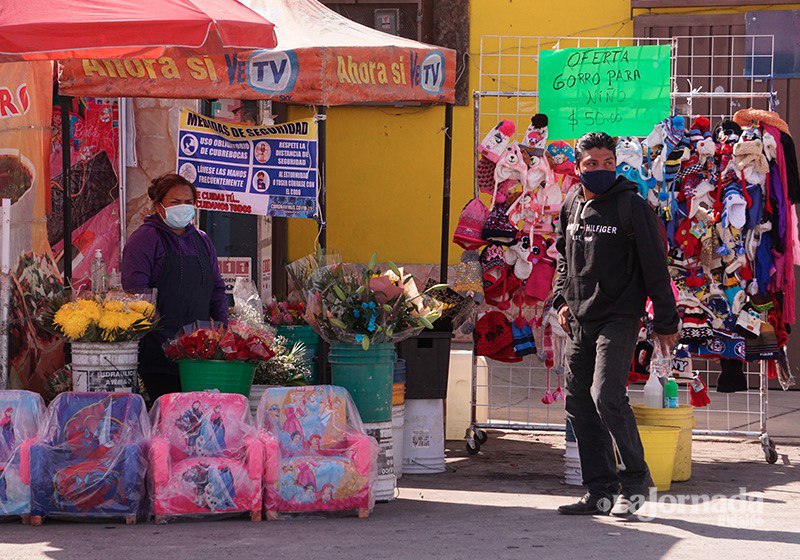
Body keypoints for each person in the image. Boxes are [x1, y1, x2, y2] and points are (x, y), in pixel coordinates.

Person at [552, 132, 679, 517]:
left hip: (619, 316)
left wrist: (666, 318)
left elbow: (655, 265)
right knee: (578, 402)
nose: (601, 169)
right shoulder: (571, 204)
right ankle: (600, 491)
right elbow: (563, 258)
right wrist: (560, 299)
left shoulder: (631, 206)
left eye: (608, 162)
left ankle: (636, 482)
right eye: (592, 163)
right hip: (580, 318)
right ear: (577, 167)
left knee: (606, 395)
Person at [121, 173, 227, 402]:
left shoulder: (202, 240)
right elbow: (136, 292)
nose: (183, 207)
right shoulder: (144, 239)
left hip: (200, 354)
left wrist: (223, 331)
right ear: (158, 206)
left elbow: (217, 289)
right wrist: (167, 341)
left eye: (188, 202)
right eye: (175, 202)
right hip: (158, 353)